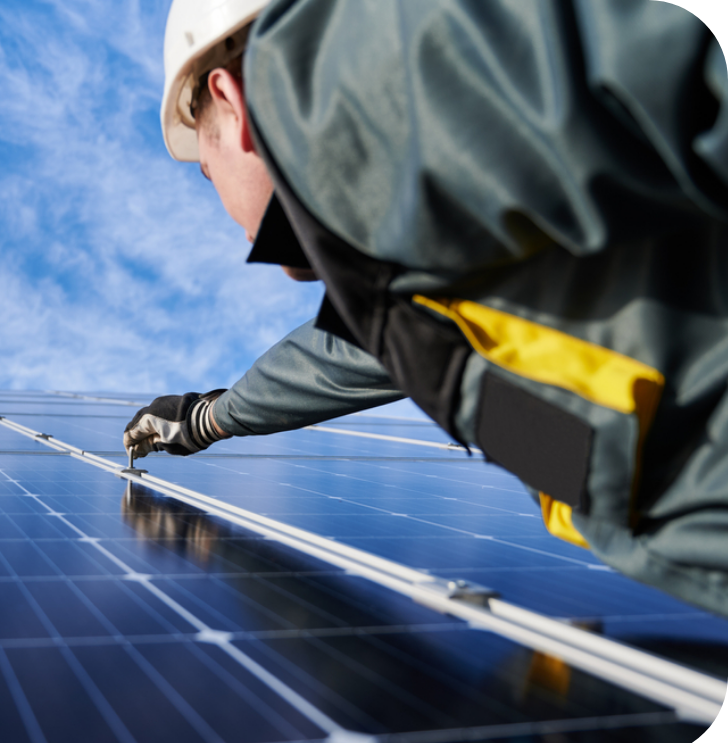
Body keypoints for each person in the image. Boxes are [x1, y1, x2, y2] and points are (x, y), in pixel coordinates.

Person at [123, 0, 728, 618]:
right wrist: (206, 419)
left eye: (207, 168)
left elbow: (665, 59)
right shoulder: (401, 273)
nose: (224, 208)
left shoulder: (377, 85)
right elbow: (341, 355)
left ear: (234, 103)